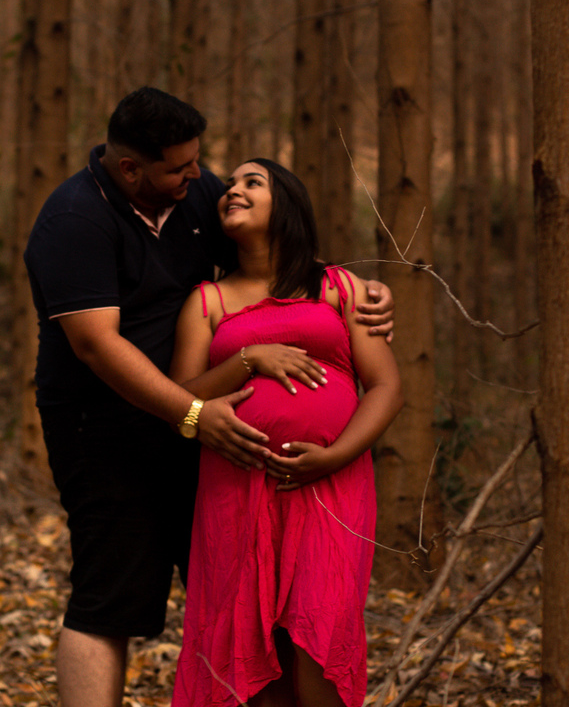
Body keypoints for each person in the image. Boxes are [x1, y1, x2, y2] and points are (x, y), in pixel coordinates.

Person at [23, 88, 395, 707]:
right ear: (130, 170)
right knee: (111, 594)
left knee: (245, 598)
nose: (200, 176)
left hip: (214, 434)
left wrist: (361, 287)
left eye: (198, 161)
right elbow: (96, 345)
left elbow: (275, 251)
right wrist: (194, 410)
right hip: (109, 427)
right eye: (181, 167)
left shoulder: (194, 193)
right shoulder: (74, 220)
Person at [169, 158, 404, 707]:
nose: (233, 190)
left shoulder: (338, 286)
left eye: (252, 182)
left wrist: (335, 456)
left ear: (288, 206)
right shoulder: (207, 301)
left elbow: (387, 387)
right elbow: (180, 399)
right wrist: (249, 359)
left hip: (330, 486)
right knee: (249, 648)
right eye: (229, 185)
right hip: (236, 491)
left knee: (320, 635)